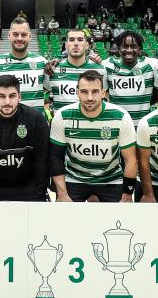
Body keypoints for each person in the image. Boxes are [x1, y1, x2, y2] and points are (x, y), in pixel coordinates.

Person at [49, 70, 138, 203]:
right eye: (84, 92)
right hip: (74, 177)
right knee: (65, 214)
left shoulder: (121, 116)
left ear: (103, 93)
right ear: (77, 92)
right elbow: (55, 157)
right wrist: (62, 193)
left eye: (95, 91)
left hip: (111, 179)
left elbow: (131, 159)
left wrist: (127, 195)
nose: (90, 97)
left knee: (119, 216)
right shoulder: (62, 116)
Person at [0, 75, 51, 201]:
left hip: (26, 185)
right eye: (2, 96)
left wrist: (39, 196)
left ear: (19, 97)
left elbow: (42, 161)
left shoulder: (36, 119)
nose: (7, 102)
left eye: (12, 96)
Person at [0, 18, 49, 110]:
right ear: (9, 36)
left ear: (30, 36)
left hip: (34, 118)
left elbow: (48, 89)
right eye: (15, 34)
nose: (19, 38)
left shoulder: (42, 62)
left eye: (24, 35)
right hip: (6, 119)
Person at [103, 30, 157, 124]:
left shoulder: (151, 65)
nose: (129, 50)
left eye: (133, 46)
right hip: (117, 125)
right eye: (125, 46)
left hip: (142, 126)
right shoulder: (108, 65)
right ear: (119, 48)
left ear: (139, 48)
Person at [47, 28, 107, 110]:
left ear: (87, 45)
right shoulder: (53, 69)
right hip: (61, 118)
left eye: (80, 40)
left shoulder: (100, 70)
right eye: (71, 40)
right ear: (66, 45)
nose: (76, 43)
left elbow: (105, 97)